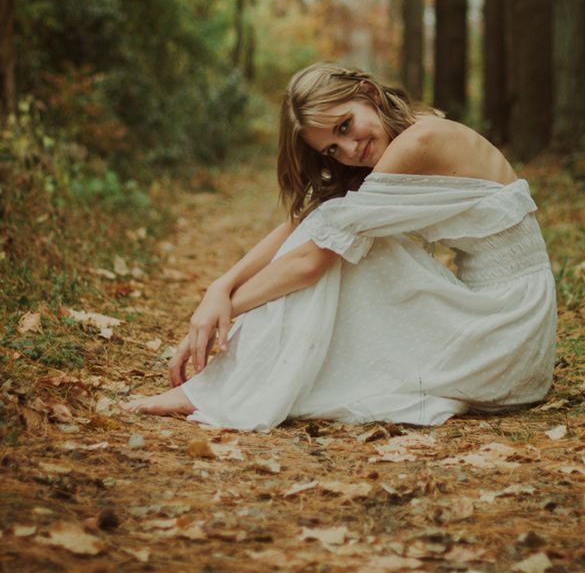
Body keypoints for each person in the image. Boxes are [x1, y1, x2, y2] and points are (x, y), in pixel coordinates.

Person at [122, 62, 556, 428]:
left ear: (367, 91)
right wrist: (219, 287)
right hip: (508, 328)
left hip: (508, 332)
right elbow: (315, 218)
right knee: (341, 234)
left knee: (351, 250)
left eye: (346, 125)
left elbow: (312, 258)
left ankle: (226, 387)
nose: (350, 149)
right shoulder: (403, 138)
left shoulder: (420, 142)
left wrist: (225, 314)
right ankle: (226, 382)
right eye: (333, 147)